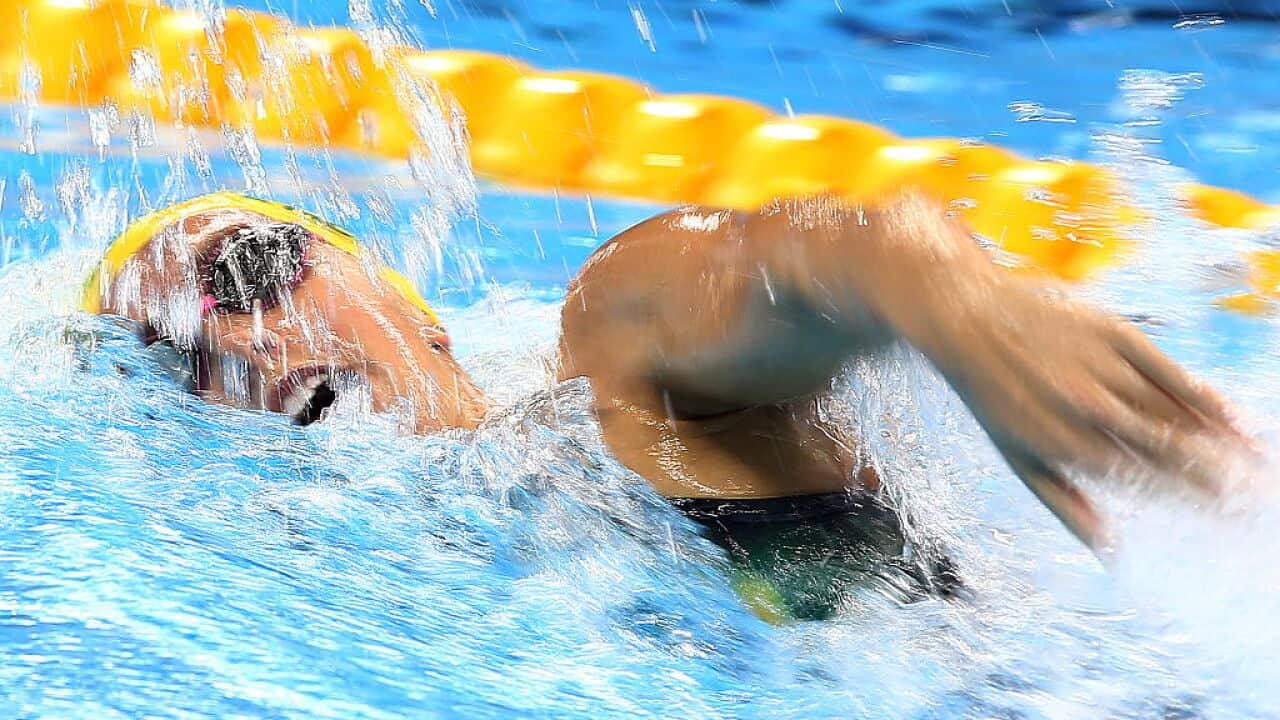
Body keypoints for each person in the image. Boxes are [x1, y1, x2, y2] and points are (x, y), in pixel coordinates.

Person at [86, 190, 1248, 620]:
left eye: (249, 273)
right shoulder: (355, 607)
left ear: (404, 294)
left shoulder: (608, 377)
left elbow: (814, 259)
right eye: (173, 353)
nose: (237, 342)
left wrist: (940, 292)